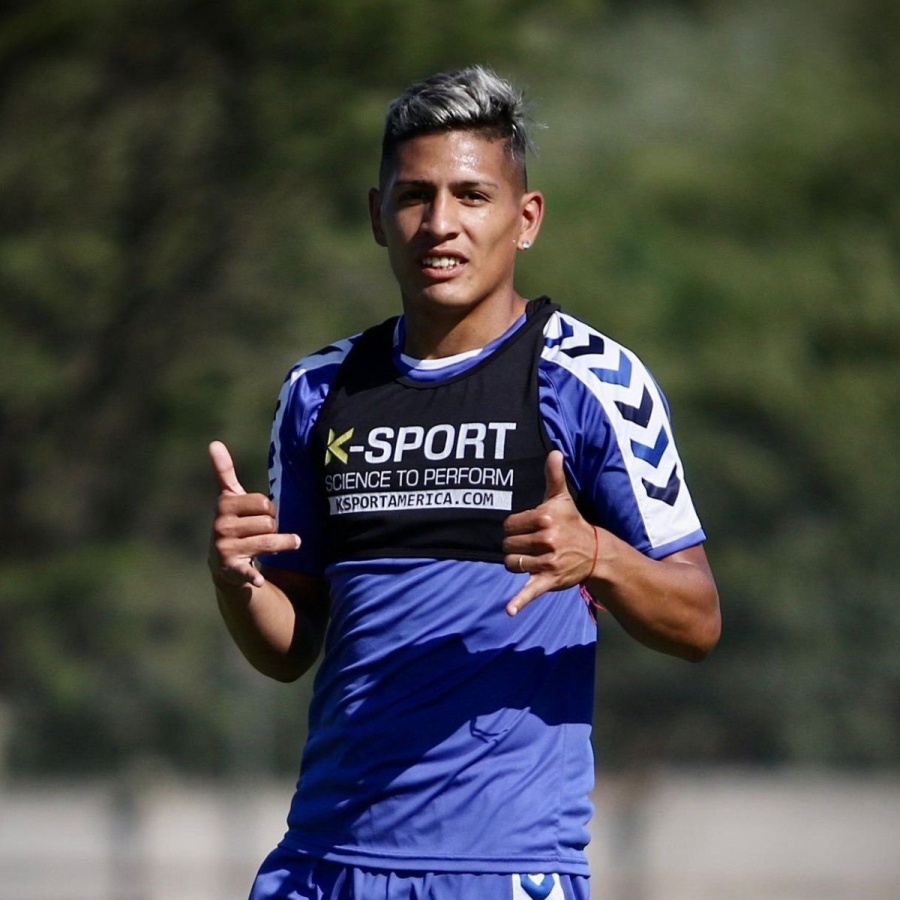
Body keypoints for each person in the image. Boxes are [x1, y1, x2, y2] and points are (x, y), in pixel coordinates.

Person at [208, 65, 720, 900]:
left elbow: (697, 620)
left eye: (472, 196)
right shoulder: (317, 390)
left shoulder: (594, 382)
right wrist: (236, 580)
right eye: (414, 196)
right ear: (377, 215)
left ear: (527, 218)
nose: (440, 224)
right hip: (323, 863)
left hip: (499, 869)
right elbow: (290, 647)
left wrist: (597, 556)